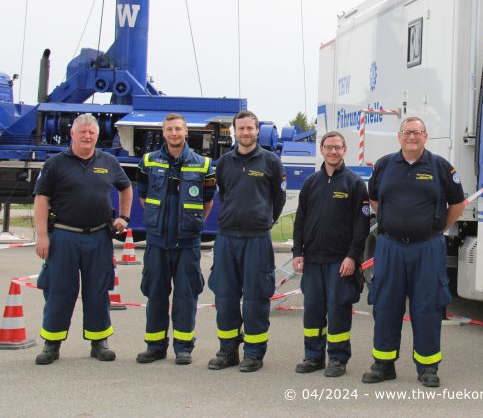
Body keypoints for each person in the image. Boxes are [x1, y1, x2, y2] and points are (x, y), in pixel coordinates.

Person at [362, 116, 465, 388]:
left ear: (425, 136)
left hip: (427, 248)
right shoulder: (384, 165)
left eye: (417, 133)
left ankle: (428, 367)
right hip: (390, 246)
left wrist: (437, 227)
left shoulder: (440, 166)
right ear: (399, 136)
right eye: (407, 132)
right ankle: (383, 364)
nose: (411, 137)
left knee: (427, 306)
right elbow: (374, 200)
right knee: (385, 305)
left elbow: (458, 203)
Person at [32, 113, 133, 365]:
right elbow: (41, 200)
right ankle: (51, 344)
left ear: (97, 136)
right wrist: (42, 236)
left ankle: (99, 342)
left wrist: (124, 217)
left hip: (99, 237)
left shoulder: (108, 161)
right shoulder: (55, 164)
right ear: (72, 134)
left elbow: (126, 187)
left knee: (98, 291)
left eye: (92, 133)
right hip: (64, 237)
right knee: (59, 291)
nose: (87, 136)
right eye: (83, 132)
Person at [207, 110, 286, 373]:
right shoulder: (224, 162)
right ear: (234, 132)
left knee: (256, 299)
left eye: (250, 128)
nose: (245, 133)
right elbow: (223, 193)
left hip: (257, 240)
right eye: (240, 129)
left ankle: (253, 354)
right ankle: (227, 351)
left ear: (257, 130)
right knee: (226, 297)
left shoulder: (271, 162)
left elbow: (279, 198)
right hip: (227, 238)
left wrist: (264, 220)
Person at [136, 113, 215, 365]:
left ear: (186, 132)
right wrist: (157, 220)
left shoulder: (203, 164)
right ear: (163, 132)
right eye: (169, 129)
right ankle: (155, 346)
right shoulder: (148, 161)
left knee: (185, 296)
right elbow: (143, 196)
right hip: (157, 242)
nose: (174, 133)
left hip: (187, 243)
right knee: (156, 295)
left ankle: (183, 347)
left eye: (178, 129)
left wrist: (192, 223)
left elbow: (207, 201)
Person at [292, 131, 369, 378]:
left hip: (340, 261)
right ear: (322, 149)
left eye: (337, 147)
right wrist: (297, 252)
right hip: (313, 260)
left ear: (345, 150)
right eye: (328, 147)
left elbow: (362, 225)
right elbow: (300, 221)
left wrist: (352, 256)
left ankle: (337, 358)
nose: (333, 152)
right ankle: (313, 356)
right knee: (313, 310)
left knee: (338, 310)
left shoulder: (355, 184)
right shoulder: (311, 183)